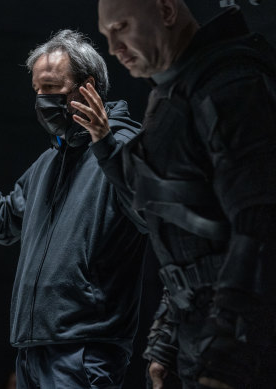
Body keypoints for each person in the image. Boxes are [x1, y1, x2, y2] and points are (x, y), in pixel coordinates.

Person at [0, 30, 147, 388]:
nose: (42, 100)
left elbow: (149, 213)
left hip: (86, 347)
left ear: (87, 86)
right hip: (33, 348)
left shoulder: (125, 146)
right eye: (37, 91)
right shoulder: (51, 161)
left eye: (50, 88)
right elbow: (3, 223)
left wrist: (105, 144)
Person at [95, 0, 276, 388]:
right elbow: (190, 242)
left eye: (121, 27)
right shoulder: (175, 91)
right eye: (107, 36)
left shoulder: (230, 83)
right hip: (203, 345)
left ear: (165, 10)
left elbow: (258, 226)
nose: (114, 48)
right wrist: (168, 343)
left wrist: (228, 355)